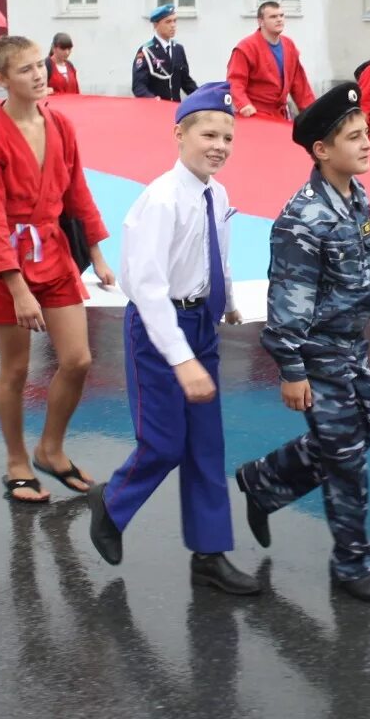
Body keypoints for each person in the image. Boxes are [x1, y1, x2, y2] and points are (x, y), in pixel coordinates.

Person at [235, 82, 370, 603]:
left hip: (351, 346)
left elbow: (368, 247)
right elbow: (287, 306)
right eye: (355, 137)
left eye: (366, 134)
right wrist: (292, 371)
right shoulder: (303, 220)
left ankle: (264, 481)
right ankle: (352, 563)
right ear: (322, 150)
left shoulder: (354, 195)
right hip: (317, 352)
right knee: (346, 457)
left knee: (357, 438)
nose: (367, 144)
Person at [86, 81, 260, 596]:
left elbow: (217, 254)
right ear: (179, 134)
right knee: (163, 443)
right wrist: (181, 359)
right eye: (209, 133)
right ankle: (111, 503)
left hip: (201, 324)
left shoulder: (217, 193)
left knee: (207, 446)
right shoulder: (160, 200)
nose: (219, 146)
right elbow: (146, 288)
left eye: (228, 137)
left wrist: (225, 300)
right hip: (159, 333)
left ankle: (210, 554)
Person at [0, 36, 115, 505]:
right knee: (16, 368)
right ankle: (16, 462)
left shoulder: (61, 124)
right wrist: (18, 289)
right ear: (2, 79)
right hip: (8, 265)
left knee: (79, 360)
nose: (38, 74)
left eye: (39, 65)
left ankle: (51, 448)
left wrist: (98, 254)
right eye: (25, 69)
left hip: (53, 251)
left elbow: (78, 193)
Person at [227, 0, 315, 120]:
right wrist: (243, 104)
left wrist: (312, 113)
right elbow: (235, 82)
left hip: (280, 116)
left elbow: (300, 85)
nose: (279, 19)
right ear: (261, 21)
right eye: (273, 17)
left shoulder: (289, 45)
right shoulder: (246, 48)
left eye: (281, 15)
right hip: (255, 115)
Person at [131, 5, 197, 102]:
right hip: (155, 109)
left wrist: (201, 96)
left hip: (175, 109)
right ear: (156, 25)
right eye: (168, 21)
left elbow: (186, 82)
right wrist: (152, 99)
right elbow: (138, 86)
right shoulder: (146, 51)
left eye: (175, 21)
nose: (173, 25)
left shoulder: (178, 49)